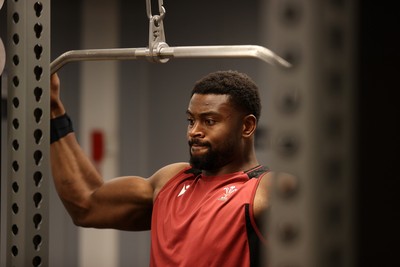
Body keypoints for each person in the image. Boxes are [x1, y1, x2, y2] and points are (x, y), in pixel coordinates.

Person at [50, 70, 273, 266]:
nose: (194, 131)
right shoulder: (171, 181)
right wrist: (52, 108)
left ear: (247, 126)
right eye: (191, 120)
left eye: (209, 121)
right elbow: (87, 204)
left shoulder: (262, 189)